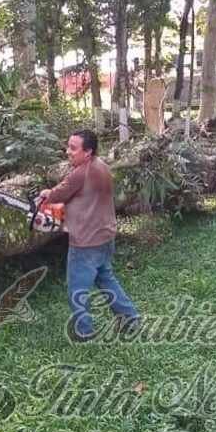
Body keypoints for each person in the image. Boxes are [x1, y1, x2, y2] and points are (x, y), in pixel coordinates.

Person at [38, 129, 140, 343]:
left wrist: (47, 194)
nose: (68, 151)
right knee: (106, 279)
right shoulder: (101, 165)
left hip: (85, 242)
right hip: (105, 236)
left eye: (73, 149)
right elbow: (73, 190)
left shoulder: (81, 173)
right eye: (68, 146)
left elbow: (60, 193)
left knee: (77, 289)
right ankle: (131, 319)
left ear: (88, 151)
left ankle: (84, 332)